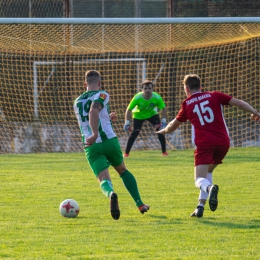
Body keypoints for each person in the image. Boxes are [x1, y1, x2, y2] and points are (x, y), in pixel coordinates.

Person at [157, 74, 260, 218]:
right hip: (223, 143)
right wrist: (255, 112)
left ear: (186, 88)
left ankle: (210, 188)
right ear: (200, 86)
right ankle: (200, 206)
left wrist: (163, 131)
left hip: (204, 144)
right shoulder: (215, 95)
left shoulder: (187, 104)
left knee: (199, 179)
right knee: (208, 172)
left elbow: (173, 125)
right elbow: (239, 103)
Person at [73, 70, 149, 220]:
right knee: (122, 170)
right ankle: (140, 204)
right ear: (99, 83)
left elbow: (92, 114)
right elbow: (93, 110)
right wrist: (96, 133)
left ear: (84, 84)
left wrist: (106, 118)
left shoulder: (76, 101)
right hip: (109, 141)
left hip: (91, 145)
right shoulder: (102, 94)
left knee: (103, 179)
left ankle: (111, 194)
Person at [123, 79, 168, 157]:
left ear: (152, 89)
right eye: (145, 88)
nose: (147, 90)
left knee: (160, 130)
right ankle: (126, 153)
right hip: (138, 116)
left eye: (149, 88)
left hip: (152, 114)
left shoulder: (157, 97)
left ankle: (164, 152)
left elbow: (163, 108)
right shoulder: (137, 97)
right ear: (142, 89)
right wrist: (127, 123)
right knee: (135, 133)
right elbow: (129, 109)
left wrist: (164, 121)